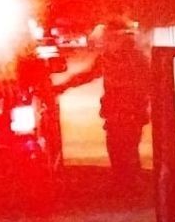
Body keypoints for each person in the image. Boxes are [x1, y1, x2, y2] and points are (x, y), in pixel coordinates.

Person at [56, 16, 149, 181]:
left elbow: (149, 83)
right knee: (117, 152)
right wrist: (63, 86)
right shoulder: (109, 57)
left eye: (111, 37)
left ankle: (132, 187)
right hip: (115, 114)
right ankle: (125, 186)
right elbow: (89, 75)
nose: (108, 41)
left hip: (130, 114)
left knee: (128, 152)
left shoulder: (137, 59)